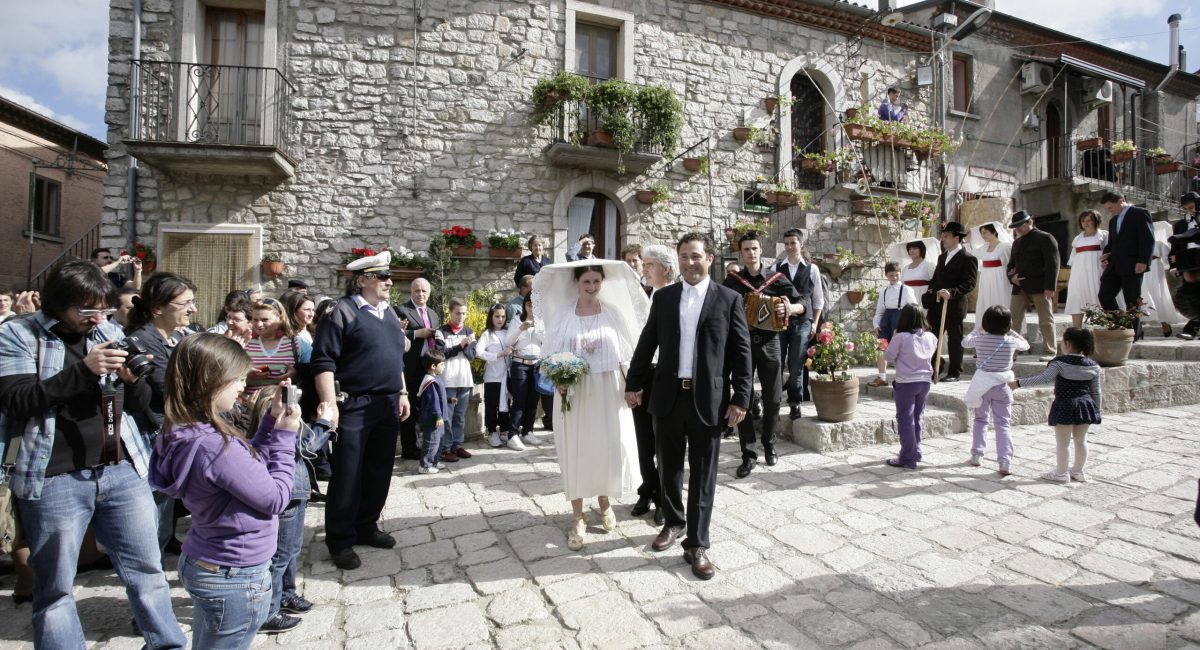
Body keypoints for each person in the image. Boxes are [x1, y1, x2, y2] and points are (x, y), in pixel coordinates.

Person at [0, 260, 185, 649]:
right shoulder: (18, 334)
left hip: (121, 469)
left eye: (101, 308)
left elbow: (137, 404)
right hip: (53, 477)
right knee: (55, 589)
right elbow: (17, 401)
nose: (96, 318)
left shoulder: (107, 329)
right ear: (56, 304)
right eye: (86, 311)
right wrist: (85, 370)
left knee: (148, 572)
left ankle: (166, 644)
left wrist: (132, 382)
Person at [150, 334, 298, 648]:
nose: (244, 386)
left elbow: (246, 470)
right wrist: (286, 439)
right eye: (239, 379)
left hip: (206, 558)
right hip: (234, 575)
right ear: (211, 382)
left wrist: (271, 422)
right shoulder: (215, 447)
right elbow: (275, 498)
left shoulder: (186, 430)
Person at [626, 232, 752, 580]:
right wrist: (633, 383)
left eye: (696, 256)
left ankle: (697, 543)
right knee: (668, 467)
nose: (689, 263)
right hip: (667, 395)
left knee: (703, 475)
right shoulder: (664, 298)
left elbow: (742, 352)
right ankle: (673, 522)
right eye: (684, 256)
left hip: (708, 401)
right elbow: (647, 340)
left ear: (709, 258)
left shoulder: (728, 299)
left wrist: (741, 397)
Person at [535, 261, 647, 551]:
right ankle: (577, 516)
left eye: (596, 281)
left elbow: (627, 355)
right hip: (574, 392)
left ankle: (604, 503)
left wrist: (633, 389)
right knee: (577, 450)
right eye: (586, 282)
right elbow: (549, 355)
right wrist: (558, 379)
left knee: (606, 447)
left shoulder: (611, 314)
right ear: (577, 283)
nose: (592, 287)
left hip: (608, 391)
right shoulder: (564, 316)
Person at [310, 251, 411, 570]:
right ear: (363, 280)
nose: (389, 282)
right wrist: (330, 406)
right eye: (382, 277)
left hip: (387, 402)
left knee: (379, 470)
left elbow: (396, 358)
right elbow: (323, 361)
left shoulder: (390, 313)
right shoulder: (342, 312)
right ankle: (340, 539)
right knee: (348, 472)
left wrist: (403, 391)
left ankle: (366, 526)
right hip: (353, 404)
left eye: (389, 277)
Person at [123, 272, 198, 553]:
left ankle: (162, 544)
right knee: (155, 504)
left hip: (167, 430)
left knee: (165, 501)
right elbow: (168, 388)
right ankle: (150, 554)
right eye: (185, 303)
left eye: (193, 301)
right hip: (150, 433)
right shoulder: (144, 341)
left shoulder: (173, 337)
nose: (193, 309)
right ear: (157, 308)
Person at [724, 232, 805, 477]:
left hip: (771, 343)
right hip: (743, 345)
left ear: (761, 251)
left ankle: (769, 444)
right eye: (746, 249)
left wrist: (789, 308)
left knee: (773, 400)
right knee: (744, 399)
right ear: (741, 253)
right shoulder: (732, 282)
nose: (751, 253)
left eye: (755, 248)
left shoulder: (776, 279)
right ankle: (748, 454)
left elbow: (803, 304)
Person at [245, 386, 314, 634]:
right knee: (280, 556)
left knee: (292, 551)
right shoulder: (278, 433)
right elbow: (306, 447)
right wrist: (325, 423)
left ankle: (287, 594)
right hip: (287, 497)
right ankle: (269, 612)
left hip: (297, 495)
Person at [1010, 327, 1101, 484]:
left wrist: (1018, 383)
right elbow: (1096, 392)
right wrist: (1097, 411)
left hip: (1065, 405)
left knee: (1063, 442)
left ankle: (1061, 473)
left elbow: (1044, 378)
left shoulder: (1059, 363)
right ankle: (1078, 472)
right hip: (1086, 406)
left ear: (1067, 343)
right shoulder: (1093, 365)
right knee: (1081, 441)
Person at [628, 244, 678, 526]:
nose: (643, 269)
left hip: (665, 375)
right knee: (643, 439)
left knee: (663, 442)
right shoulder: (643, 295)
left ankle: (662, 497)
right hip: (642, 372)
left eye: (648, 265)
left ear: (665, 269)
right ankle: (646, 490)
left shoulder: (677, 297)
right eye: (643, 264)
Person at [961, 306, 1030, 476]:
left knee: (980, 420)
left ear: (985, 322)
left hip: (982, 386)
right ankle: (1005, 460)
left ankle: (977, 454)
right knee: (1003, 424)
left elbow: (964, 342)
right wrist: (1012, 332)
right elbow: (1026, 345)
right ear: (1008, 323)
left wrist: (976, 331)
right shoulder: (1011, 341)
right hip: (1003, 386)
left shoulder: (980, 339)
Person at [774, 228, 821, 419]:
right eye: (786, 244)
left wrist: (815, 323)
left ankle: (795, 402)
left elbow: (818, 300)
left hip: (803, 321)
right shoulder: (777, 269)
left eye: (793, 243)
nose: (789, 247)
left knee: (796, 363)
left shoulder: (812, 269)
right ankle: (774, 401)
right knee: (776, 363)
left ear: (801, 244)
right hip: (780, 322)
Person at [883, 305, 938, 469]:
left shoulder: (900, 337)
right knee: (917, 417)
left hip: (906, 381)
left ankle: (908, 457)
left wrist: (893, 338)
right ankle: (916, 450)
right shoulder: (931, 337)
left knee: (905, 419)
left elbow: (889, 356)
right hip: (925, 381)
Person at [922, 222, 978, 382]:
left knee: (955, 339)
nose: (943, 239)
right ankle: (934, 367)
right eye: (943, 236)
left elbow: (970, 283)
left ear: (956, 238)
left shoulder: (968, 258)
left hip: (954, 305)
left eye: (946, 236)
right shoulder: (942, 257)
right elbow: (935, 280)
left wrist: (952, 293)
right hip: (937, 304)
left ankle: (955, 372)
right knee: (931, 336)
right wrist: (931, 291)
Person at [1098, 191, 1154, 340]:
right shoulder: (1113, 221)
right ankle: (1119, 326)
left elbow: (1147, 239)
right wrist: (1106, 254)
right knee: (1104, 294)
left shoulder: (1140, 213)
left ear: (1121, 200)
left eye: (1111, 207)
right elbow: (1112, 244)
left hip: (1133, 264)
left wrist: (1143, 261)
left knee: (1132, 299)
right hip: (1115, 264)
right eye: (1108, 209)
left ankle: (1134, 333)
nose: (1110, 211)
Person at [1006, 210, 1061, 360]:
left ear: (1030, 222)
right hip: (1019, 287)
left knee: (1045, 319)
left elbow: (1053, 264)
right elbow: (1010, 265)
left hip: (1040, 285)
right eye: (1016, 227)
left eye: (1020, 226)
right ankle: (1012, 352)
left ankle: (1050, 351)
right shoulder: (1017, 242)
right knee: (1013, 319)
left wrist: (1050, 286)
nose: (1018, 229)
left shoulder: (1045, 238)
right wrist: (1012, 277)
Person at [395, 278, 439, 460]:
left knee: (427, 409)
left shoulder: (433, 313)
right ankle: (409, 448)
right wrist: (415, 333)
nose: (420, 294)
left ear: (429, 293)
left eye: (424, 291)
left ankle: (426, 446)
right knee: (410, 410)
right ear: (411, 292)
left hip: (429, 370)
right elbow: (393, 333)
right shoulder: (401, 310)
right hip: (410, 369)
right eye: (417, 291)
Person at [433, 297, 477, 463]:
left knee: (460, 417)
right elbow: (441, 354)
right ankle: (446, 448)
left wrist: (466, 346)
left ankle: (457, 446)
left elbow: (472, 356)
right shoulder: (441, 332)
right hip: (448, 380)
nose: (461, 317)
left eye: (464, 313)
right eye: (458, 313)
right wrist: (460, 346)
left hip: (464, 380)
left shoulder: (469, 331)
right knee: (448, 417)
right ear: (450, 312)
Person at [504, 294, 551, 450]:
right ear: (524, 305)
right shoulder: (517, 320)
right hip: (520, 364)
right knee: (519, 401)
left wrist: (540, 331)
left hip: (536, 365)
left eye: (535, 305)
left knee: (532, 401)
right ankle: (513, 434)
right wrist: (520, 328)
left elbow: (548, 342)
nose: (532, 308)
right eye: (529, 304)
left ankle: (528, 431)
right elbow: (508, 342)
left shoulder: (541, 321)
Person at [244, 298, 310, 395]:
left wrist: (296, 375)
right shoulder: (245, 344)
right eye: (255, 320)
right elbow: (227, 378)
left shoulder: (298, 344)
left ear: (280, 318)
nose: (259, 324)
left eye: (264, 320)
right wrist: (246, 376)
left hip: (285, 406)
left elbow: (314, 373)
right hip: (250, 407)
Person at [869, 262, 919, 387]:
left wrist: (905, 325)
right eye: (891, 276)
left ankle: (903, 377)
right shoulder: (884, 292)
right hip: (886, 320)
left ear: (900, 274)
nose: (895, 278)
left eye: (897, 275)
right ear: (886, 275)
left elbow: (914, 308)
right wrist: (876, 325)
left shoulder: (906, 289)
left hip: (901, 319)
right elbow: (879, 311)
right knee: (881, 348)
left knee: (902, 350)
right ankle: (882, 377)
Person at [475, 304, 512, 448]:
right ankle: (492, 432)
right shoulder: (487, 334)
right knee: (492, 405)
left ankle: (504, 431)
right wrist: (498, 355)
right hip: (492, 377)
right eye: (497, 316)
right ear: (491, 316)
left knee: (505, 405)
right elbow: (479, 352)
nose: (500, 319)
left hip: (505, 377)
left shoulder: (508, 332)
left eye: (503, 316)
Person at [1065, 210, 1109, 328]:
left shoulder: (1104, 235)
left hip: (1097, 271)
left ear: (1096, 221)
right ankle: (1076, 330)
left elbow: (1110, 253)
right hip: (1079, 273)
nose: (1086, 223)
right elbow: (1073, 258)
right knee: (1077, 298)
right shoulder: (1077, 239)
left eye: (1089, 220)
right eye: (1083, 221)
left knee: (1098, 296)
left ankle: (1102, 328)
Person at [1142, 222, 1187, 338]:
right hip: (1139, 270)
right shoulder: (1134, 243)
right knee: (1141, 296)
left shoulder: (1158, 243)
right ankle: (1140, 324)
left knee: (1158, 295)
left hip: (1155, 269)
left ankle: (1164, 323)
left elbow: (1168, 258)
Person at [972, 222, 1014, 330]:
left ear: (994, 232)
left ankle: (1003, 326)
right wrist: (968, 242)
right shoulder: (984, 247)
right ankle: (987, 326)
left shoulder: (1004, 246)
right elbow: (973, 253)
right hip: (986, 276)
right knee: (986, 299)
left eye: (985, 232)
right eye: (982, 233)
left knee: (1000, 298)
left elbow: (1011, 262)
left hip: (1000, 277)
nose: (983, 235)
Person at [1169, 192, 1200, 339]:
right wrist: (1173, 265)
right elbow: (1175, 248)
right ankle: (1192, 327)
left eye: (1192, 207)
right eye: (1187, 208)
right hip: (1189, 263)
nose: (1190, 211)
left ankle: (1191, 329)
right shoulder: (1181, 225)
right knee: (1190, 295)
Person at [416, 349, 449, 474]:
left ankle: (434, 462)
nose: (444, 366)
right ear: (433, 366)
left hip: (439, 418)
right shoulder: (430, 381)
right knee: (432, 441)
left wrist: (450, 400)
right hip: (433, 419)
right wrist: (438, 416)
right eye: (442, 364)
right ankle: (425, 465)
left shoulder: (436, 378)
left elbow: (439, 397)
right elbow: (433, 401)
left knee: (440, 441)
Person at [893, 238, 938, 305]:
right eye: (910, 249)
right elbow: (901, 285)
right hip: (907, 300)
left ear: (921, 249)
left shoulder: (929, 265)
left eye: (914, 248)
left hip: (923, 300)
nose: (911, 250)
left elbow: (935, 284)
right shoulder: (905, 268)